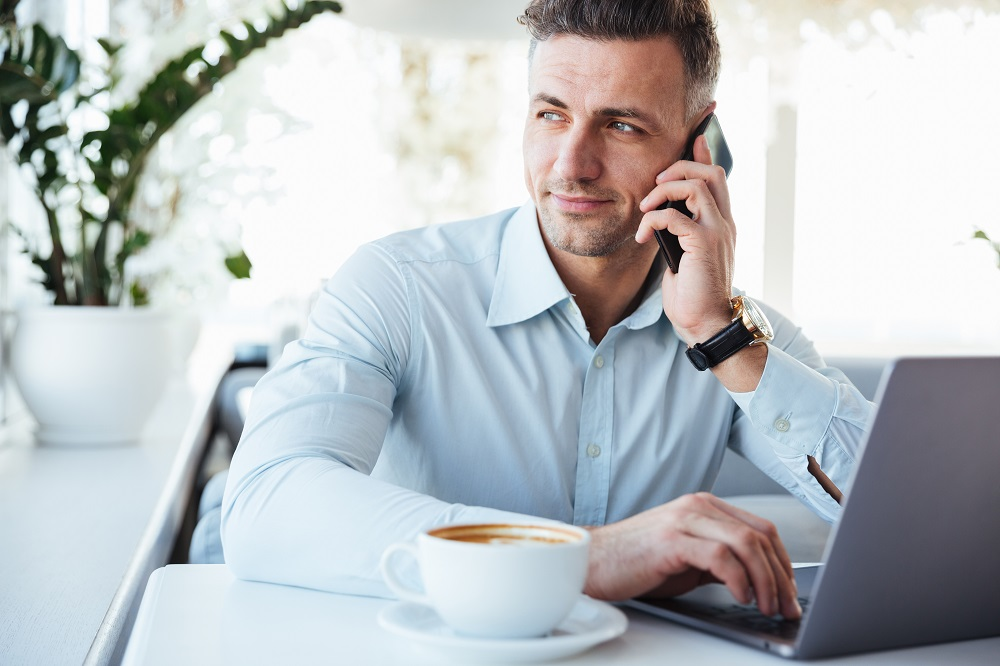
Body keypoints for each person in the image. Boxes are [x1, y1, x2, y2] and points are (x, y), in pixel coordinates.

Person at [222, 0, 872, 620]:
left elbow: (898, 516)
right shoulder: (398, 289)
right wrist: (586, 557)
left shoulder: (732, 330)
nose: (571, 164)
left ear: (699, 145)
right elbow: (264, 506)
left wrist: (719, 336)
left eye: (621, 125)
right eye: (551, 115)